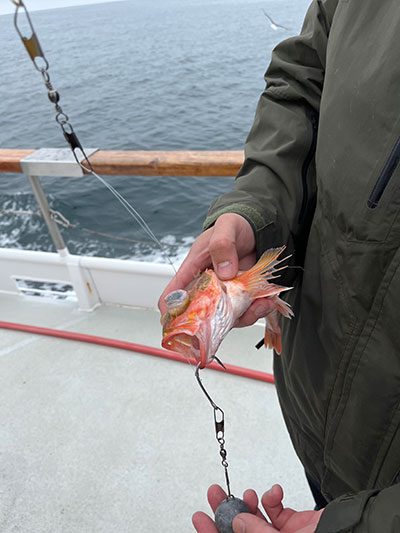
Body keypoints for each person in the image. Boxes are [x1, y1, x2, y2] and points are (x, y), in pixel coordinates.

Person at [159, 0, 400, 530]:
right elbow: (300, 81)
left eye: (185, 309)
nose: (183, 319)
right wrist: (253, 211)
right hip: (314, 406)